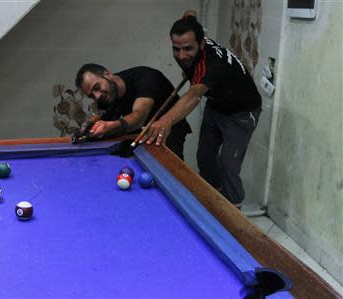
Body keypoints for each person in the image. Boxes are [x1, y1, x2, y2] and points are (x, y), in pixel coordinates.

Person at [141, 14, 262, 207]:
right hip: (216, 105)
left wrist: (165, 121)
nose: (181, 56)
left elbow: (194, 95)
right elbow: (190, 15)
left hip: (242, 112)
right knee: (204, 158)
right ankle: (213, 202)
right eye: (176, 48)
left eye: (188, 49)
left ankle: (235, 211)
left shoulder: (213, 65)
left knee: (228, 165)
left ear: (202, 43)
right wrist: (189, 17)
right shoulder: (193, 41)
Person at [74, 63, 191, 160]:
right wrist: (90, 130)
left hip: (167, 131)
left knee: (169, 173)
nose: (97, 96)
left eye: (96, 87)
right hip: (137, 134)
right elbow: (107, 124)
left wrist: (112, 125)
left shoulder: (146, 78)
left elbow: (139, 116)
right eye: (91, 95)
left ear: (107, 74)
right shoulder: (104, 97)